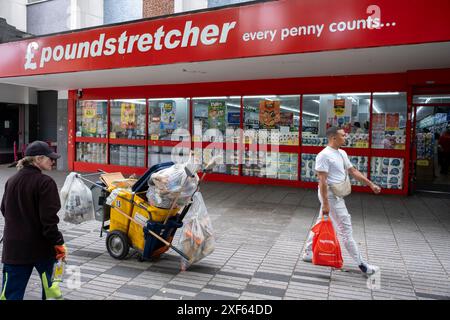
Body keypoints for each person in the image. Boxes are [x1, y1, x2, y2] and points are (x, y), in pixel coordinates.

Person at [302, 127, 381, 276]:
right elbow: (322, 182)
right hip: (331, 197)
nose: (346, 137)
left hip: (336, 195)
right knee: (346, 230)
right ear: (333, 138)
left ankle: (307, 252)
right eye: (343, 135)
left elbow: (353, 171)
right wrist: (326, 203)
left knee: (321, 221)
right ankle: (362, 265)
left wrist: (371, 184)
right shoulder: (323, 156)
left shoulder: (342, 153)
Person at [1, 141, 66, 300]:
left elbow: (4, 209)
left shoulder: (12, 180)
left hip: (14, 249)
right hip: (41, 248)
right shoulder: (45, 183)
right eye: (50, 158)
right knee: (51, 291)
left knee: (11, 295)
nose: (53, 161)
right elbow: (49, 221)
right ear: (38, 159)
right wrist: (59, 243)